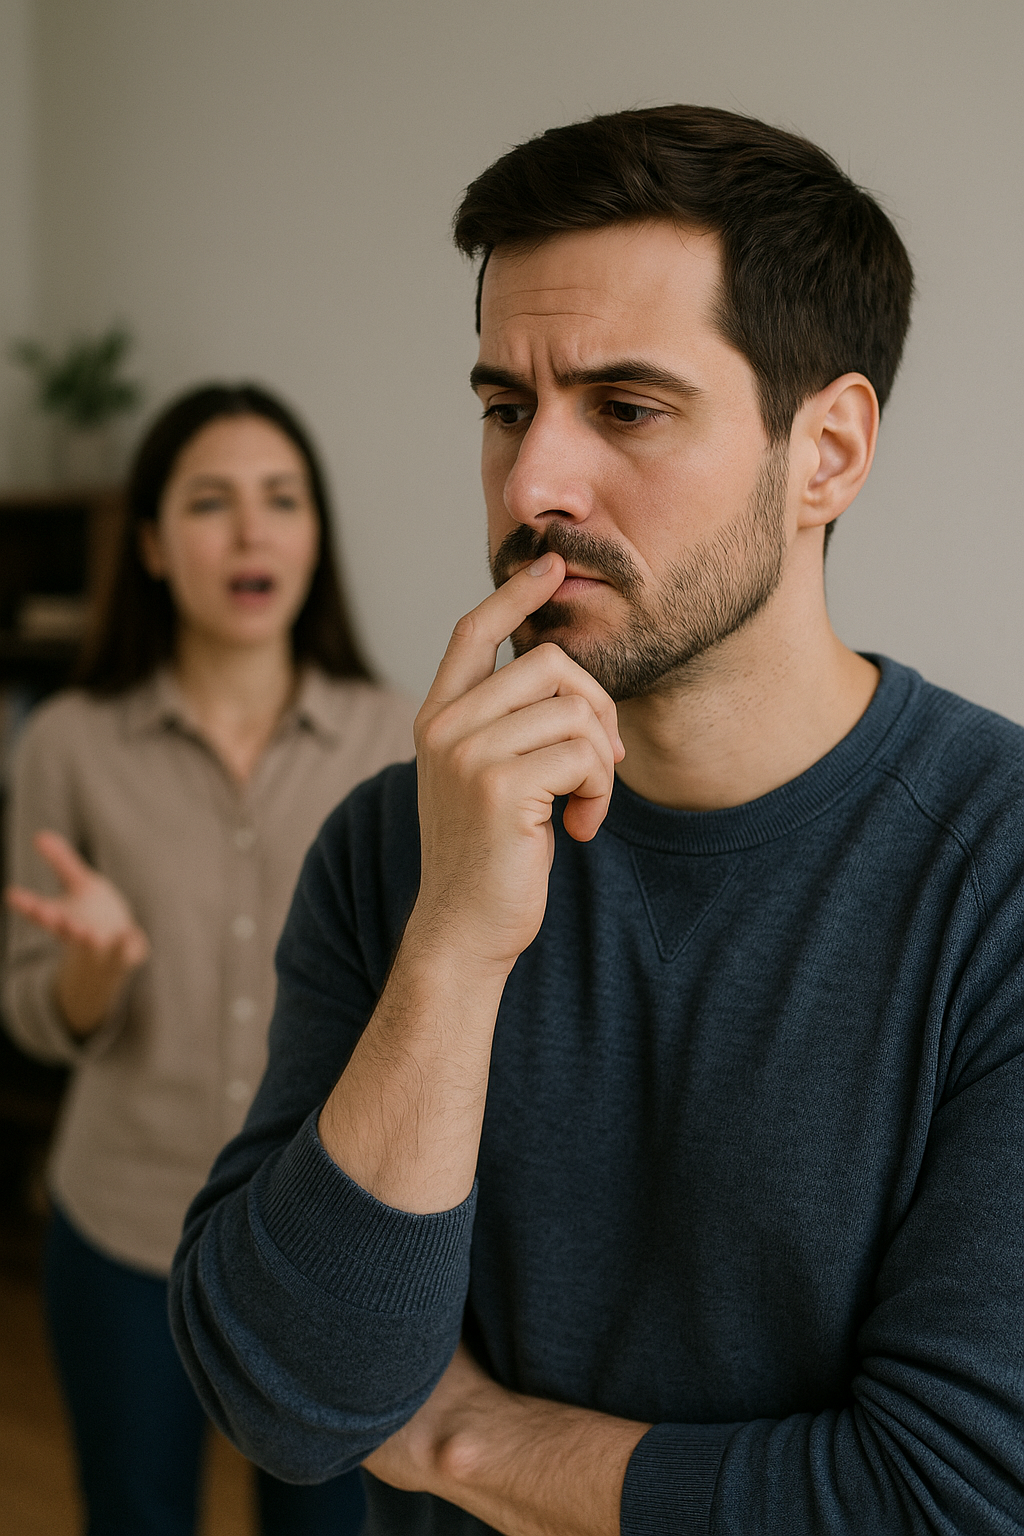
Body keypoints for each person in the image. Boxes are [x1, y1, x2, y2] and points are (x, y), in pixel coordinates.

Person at [169, 109, 1024, 1535]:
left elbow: (950, 1497)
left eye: (626, 408)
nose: (531, 488)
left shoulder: (995, 876)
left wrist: (466, 1447)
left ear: (826, 450)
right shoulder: (396, 847)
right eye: (507, 407)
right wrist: (453, 946)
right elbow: (289, 1400)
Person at [3, 382, 415, 1536]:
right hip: (125, 1227)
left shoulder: (397, 739)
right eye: (208, 502)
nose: (249, 532)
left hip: (331, 1242)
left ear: (315, 534)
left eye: (281, 499)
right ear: (148, 543)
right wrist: (90, 976)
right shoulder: (70, 742)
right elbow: (28, 1005)